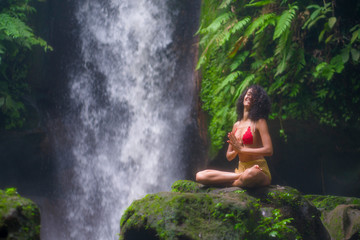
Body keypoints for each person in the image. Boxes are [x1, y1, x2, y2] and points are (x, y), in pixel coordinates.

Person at [196, 85, 273, 188]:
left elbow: (269, 150)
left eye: (254, 96)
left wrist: (242, 150)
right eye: (248, 94)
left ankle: (227, 182)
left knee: (251, 174)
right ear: (243, 97)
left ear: (258, 102)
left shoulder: (259, 122)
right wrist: (237, 150)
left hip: (259, 170)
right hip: (240, 171)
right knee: (200, 176)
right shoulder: (236, 125)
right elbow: (229, 156)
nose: (250, 97)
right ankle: (238, 178)